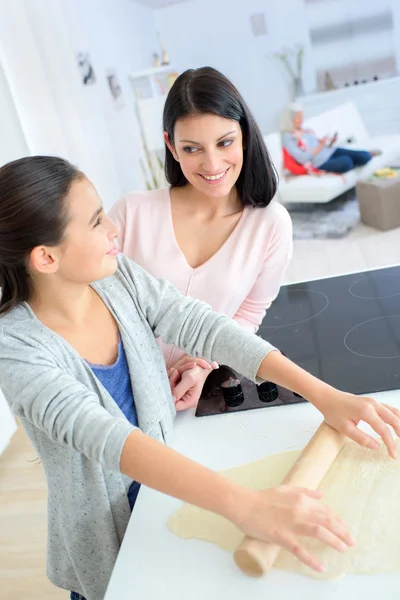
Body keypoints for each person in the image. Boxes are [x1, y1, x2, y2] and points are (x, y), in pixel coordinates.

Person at [1, 156, 399, 600]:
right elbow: (106, 437)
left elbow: (200, 325)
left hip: (173, 489)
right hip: (106, 535)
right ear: (46, 257)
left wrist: (323, 395)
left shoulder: (116, 279)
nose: (113, 229)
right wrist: (248, 506)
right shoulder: (17, 350)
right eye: (96, 222)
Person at [110, 67, 293, 410]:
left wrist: (199, 365)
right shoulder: (130, 213)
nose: (212, 164)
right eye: (192, 148)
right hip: (123, 392)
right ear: (171, 146)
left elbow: (248, 314)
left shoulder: (270, 225)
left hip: (198, 395)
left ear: (244, 135)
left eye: (225, 142)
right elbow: (94, 307)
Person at [281, 103, 377, 174]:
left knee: (365, 156)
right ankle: (353, 161)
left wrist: (327, 142)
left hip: (330, 151)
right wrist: (320, 146)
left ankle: (362, 157)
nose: (302, 120)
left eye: (302, 116)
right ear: (290, 119)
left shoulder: (305, 130)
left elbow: (316, 143)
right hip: (321, 161)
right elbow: (301, 158)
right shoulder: (288, 137)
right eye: (298, 117)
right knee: (347, 162)